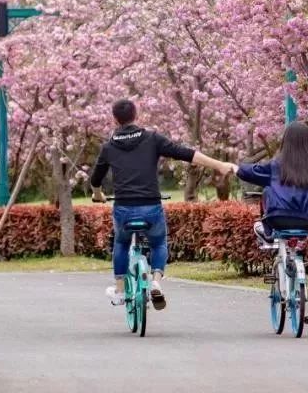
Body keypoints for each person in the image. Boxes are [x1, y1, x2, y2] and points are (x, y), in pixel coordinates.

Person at [90, 99, 233, 310]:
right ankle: (156, 281)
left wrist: (98, 195)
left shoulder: (109, 147)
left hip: (124, 208)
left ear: (115, 119)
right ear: (135, 115)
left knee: (121, 243)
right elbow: (186, 153)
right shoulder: (152, 139)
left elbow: (95, 179)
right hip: (151, 208)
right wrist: (219, 165)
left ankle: (120, 290)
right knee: (158, 243)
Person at [223, 122, 308, 246]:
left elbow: (251, 172)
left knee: (267, 190)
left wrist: (235, 168)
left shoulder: (276, 165)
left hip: (278, 218)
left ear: (286, 142)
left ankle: (266, 231)